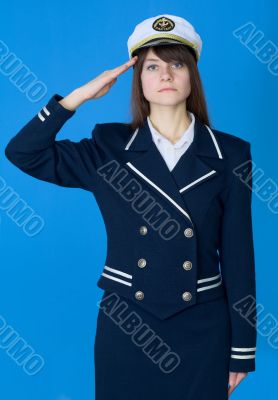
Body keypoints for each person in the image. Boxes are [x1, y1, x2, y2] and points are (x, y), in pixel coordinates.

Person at [5, 14, 257, 400]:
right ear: (138, 79)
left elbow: (239, 255)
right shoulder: (108, 147)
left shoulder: (231, 153)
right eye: (152, 66)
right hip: (128, 324)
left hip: (203, 328)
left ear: (192, 76)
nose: (166, 75)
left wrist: (241, 351)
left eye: (176, 64)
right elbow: (23, 152)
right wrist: (77, 98)